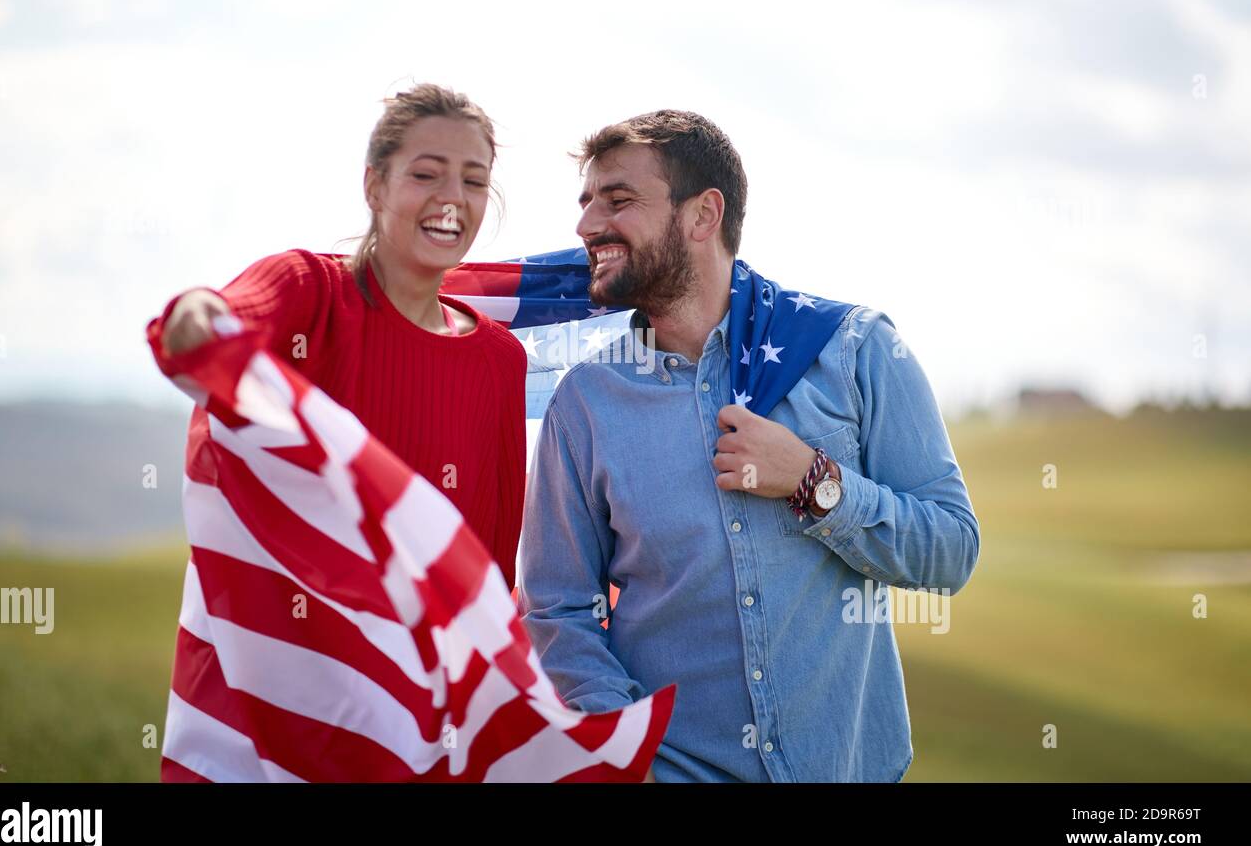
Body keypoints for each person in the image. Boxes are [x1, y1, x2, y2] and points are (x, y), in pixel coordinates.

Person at [516, 109, 981, 781]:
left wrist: (816, 483)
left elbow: (952, 552)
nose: (587, 225)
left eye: (617, 201)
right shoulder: (585, 404)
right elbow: (557, 610)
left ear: (704, 214)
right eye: (586, 202)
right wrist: (627, 754)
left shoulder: (853, 352)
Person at [150, 84, 527, 590]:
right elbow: (234, 312)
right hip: (297, 655)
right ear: (374, 186)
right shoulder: (310, 292)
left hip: (415, 666)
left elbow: (491, 566)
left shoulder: (500, 360)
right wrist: (200, 309)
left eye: (474, 181)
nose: (453, 198)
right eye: (425, 175)